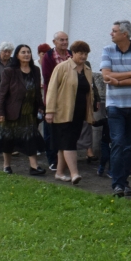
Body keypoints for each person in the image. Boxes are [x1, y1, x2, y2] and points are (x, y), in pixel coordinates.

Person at [101, 20, 131, 197]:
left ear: (125, 34)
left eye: (114, 31)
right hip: (115, 106)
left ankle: (124, 183)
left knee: (129, 146)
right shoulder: (107, 50)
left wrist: (119, 81)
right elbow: (106, 76)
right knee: (118, 143)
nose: (111, 34)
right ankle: (117, 184)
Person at [45, 41, 93, 185]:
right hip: (62, 112)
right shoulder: (62, 67)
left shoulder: (87, 70)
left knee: (64, 144)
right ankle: (74, 173)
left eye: (86, 54)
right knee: (69, 144)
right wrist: (49, 111)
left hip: (78, 113)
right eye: (80, 53)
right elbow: (52, 90)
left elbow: (89, 92)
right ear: (73, 53)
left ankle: (59, 173)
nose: (83, 57)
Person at [0, 44, 47, 176]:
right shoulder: (9, 71)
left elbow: (37, 91)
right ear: (17, 55)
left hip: (29, 112)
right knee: (8, 139)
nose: (26, 54)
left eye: (28, 52)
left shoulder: (35, 70)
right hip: (12, 111)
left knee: (31, 138)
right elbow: (2, 93)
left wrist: (41, 106)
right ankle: (7, 165)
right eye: (23, 52)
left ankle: (34, 167)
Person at [40, 32, 71, 171]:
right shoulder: (48, 57)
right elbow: (48, 78)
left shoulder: (71, 54)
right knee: (50, 132)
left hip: (69, 99)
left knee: (66, 131)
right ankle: (52, 160)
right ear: (54, 41)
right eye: (61, 40)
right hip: (53, 98)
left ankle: (64, 160)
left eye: (66, 40)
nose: (64, 42)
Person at [90, 64, 111, 177]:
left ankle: (110, 171)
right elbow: (96, 124)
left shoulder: (117, 122)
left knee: (113, 157)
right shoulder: (105, 120)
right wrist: (91, 120)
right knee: (105, 156)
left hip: (114, 142)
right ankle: (101, 168)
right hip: (105, 141)